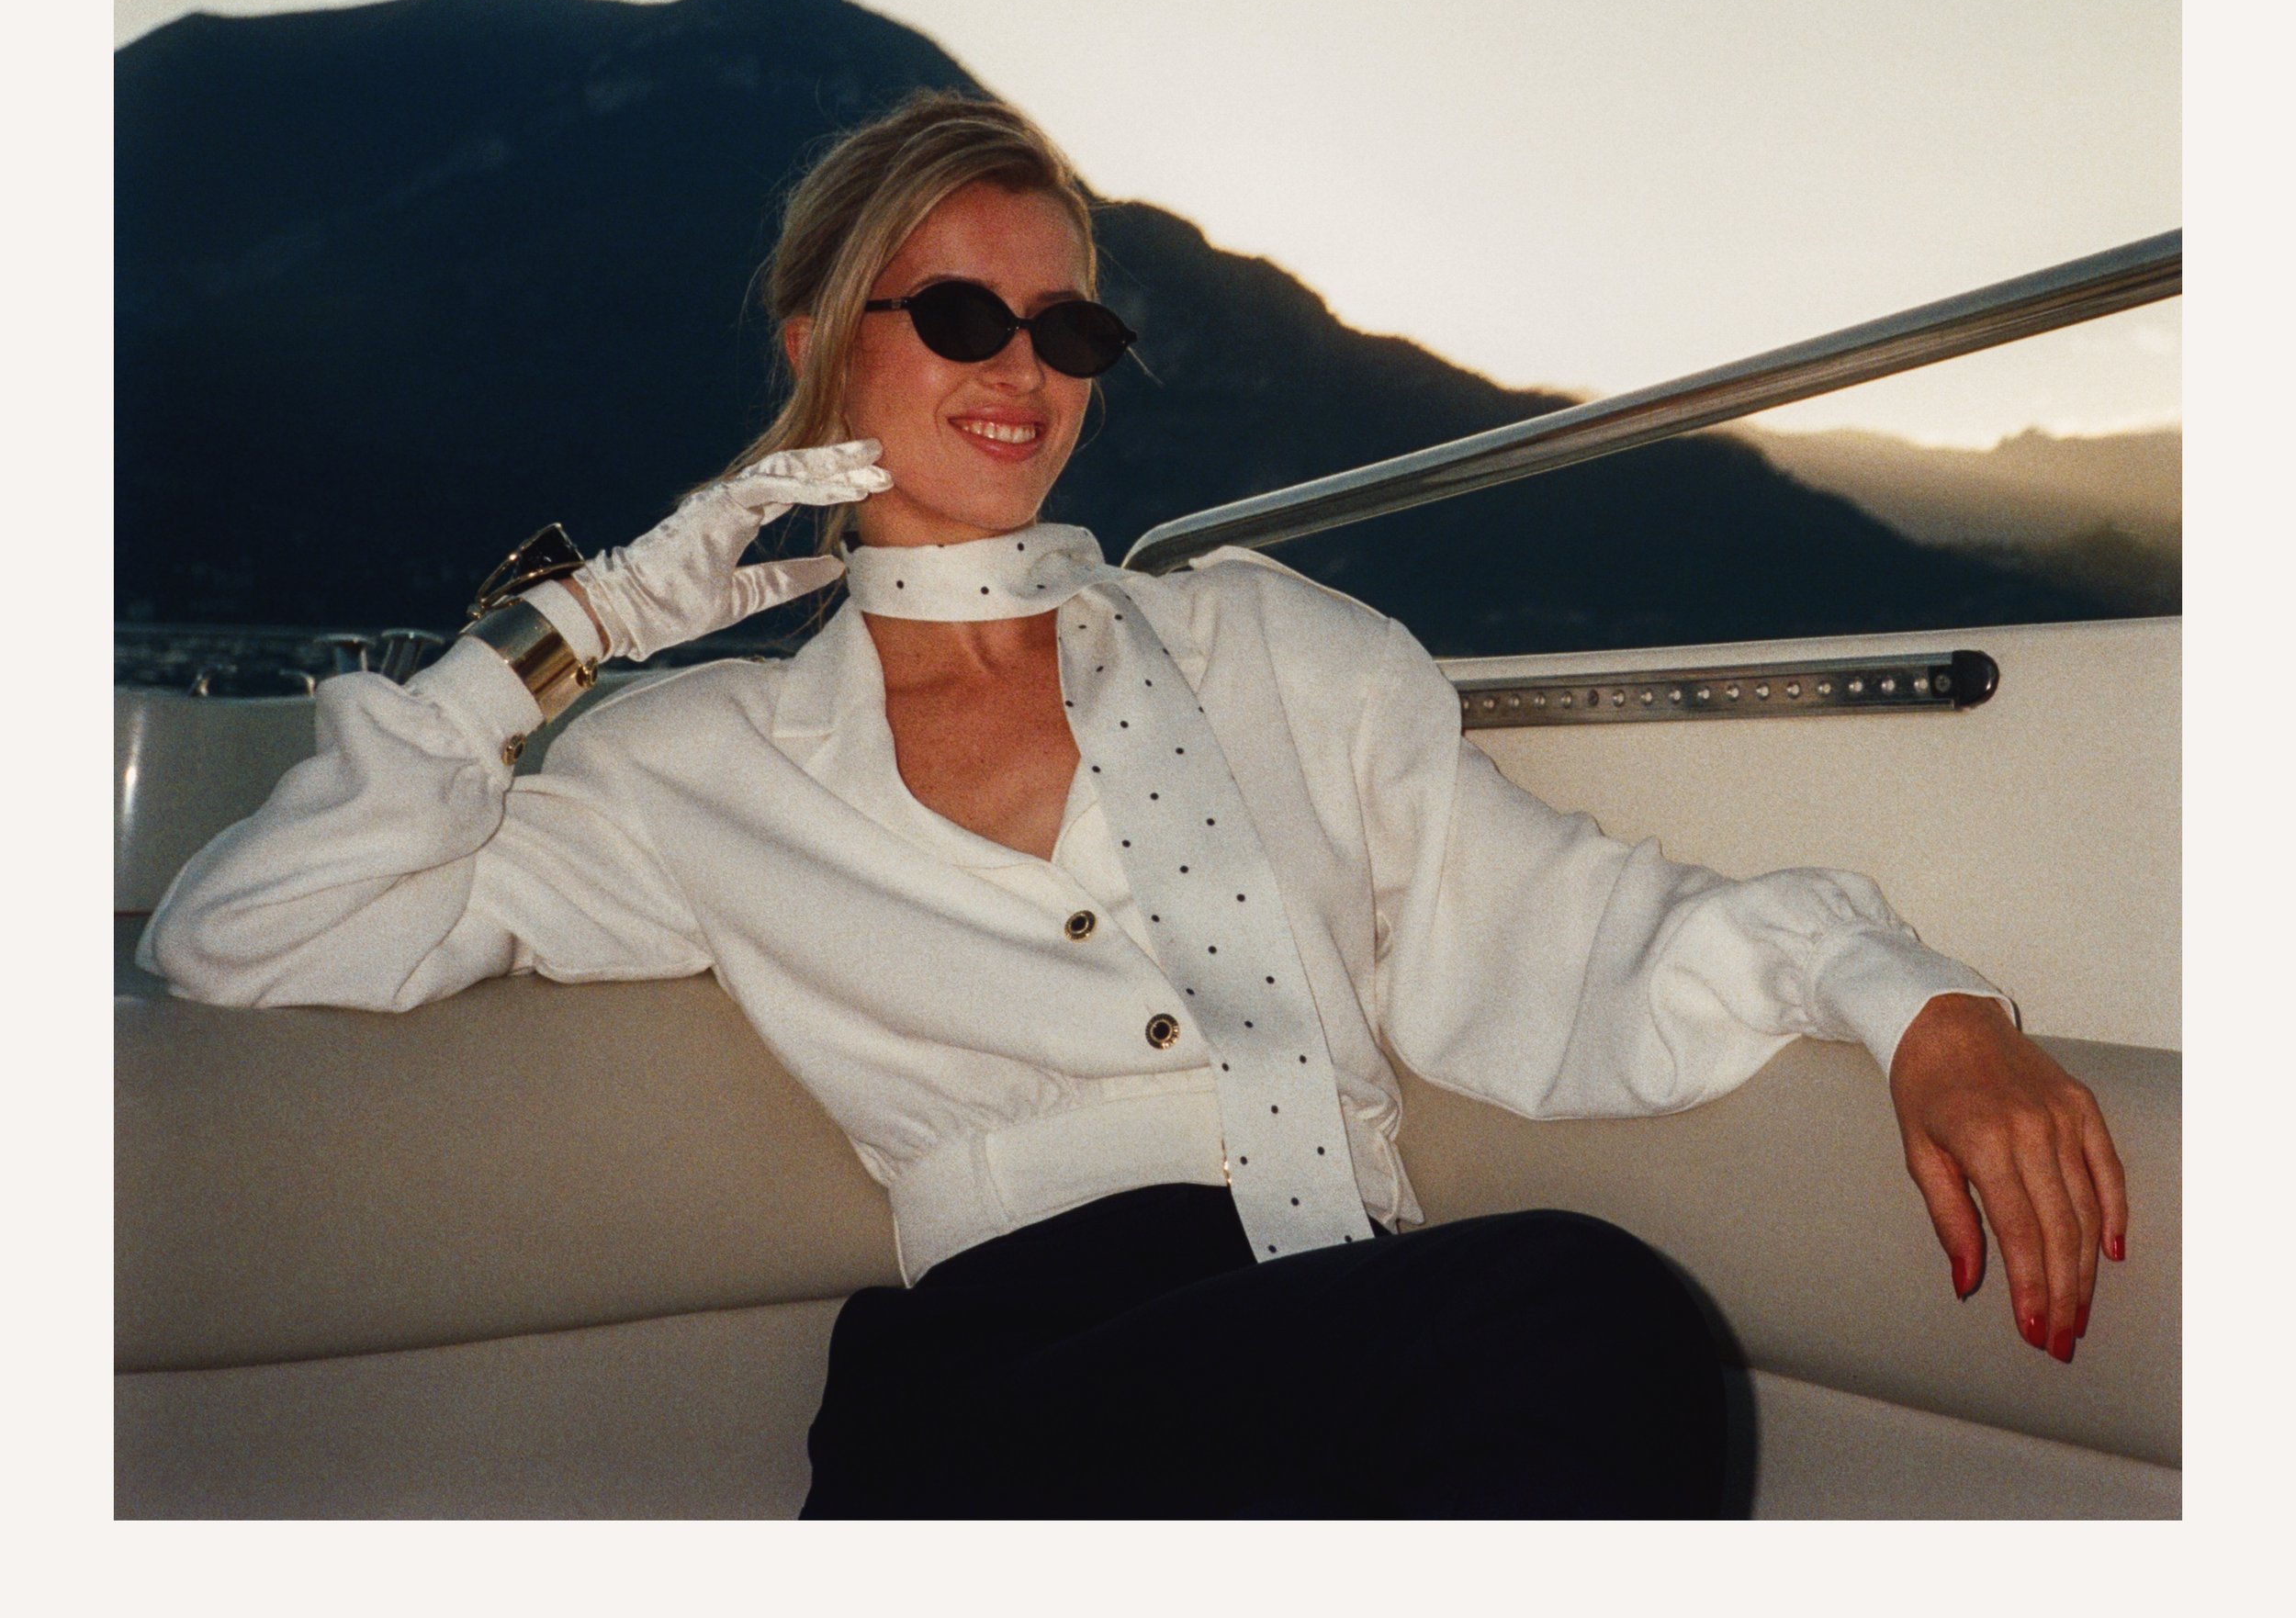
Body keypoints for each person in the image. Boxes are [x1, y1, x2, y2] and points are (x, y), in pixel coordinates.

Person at [141, 88, 2129, 1518]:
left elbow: (1567, 917)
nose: (1022, 369)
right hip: (1001, 1398)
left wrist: (1911, 1003)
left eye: (1069, 328)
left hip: (1340, 1333)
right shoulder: (698, 764)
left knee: (1587, 1326)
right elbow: (247, 936)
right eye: (957, 316)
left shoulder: (1277, 650)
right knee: (1587, 1315)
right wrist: (581, 629)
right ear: (820, 346)